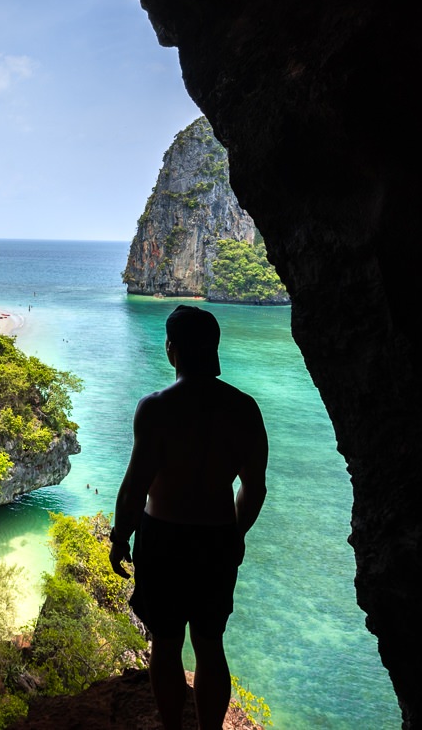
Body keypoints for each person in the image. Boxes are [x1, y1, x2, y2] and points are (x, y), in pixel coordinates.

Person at [109, 305, 268, 730]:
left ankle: (172, 726)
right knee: (210, 643)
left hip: (162, 539)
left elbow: (134, 487)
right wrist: (237, 533)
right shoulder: (245, 409)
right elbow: (253, 489)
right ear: (213, 349)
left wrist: (120, 536)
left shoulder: (156, 408)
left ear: (171, 349)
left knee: (165, 642)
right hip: (216, 538)